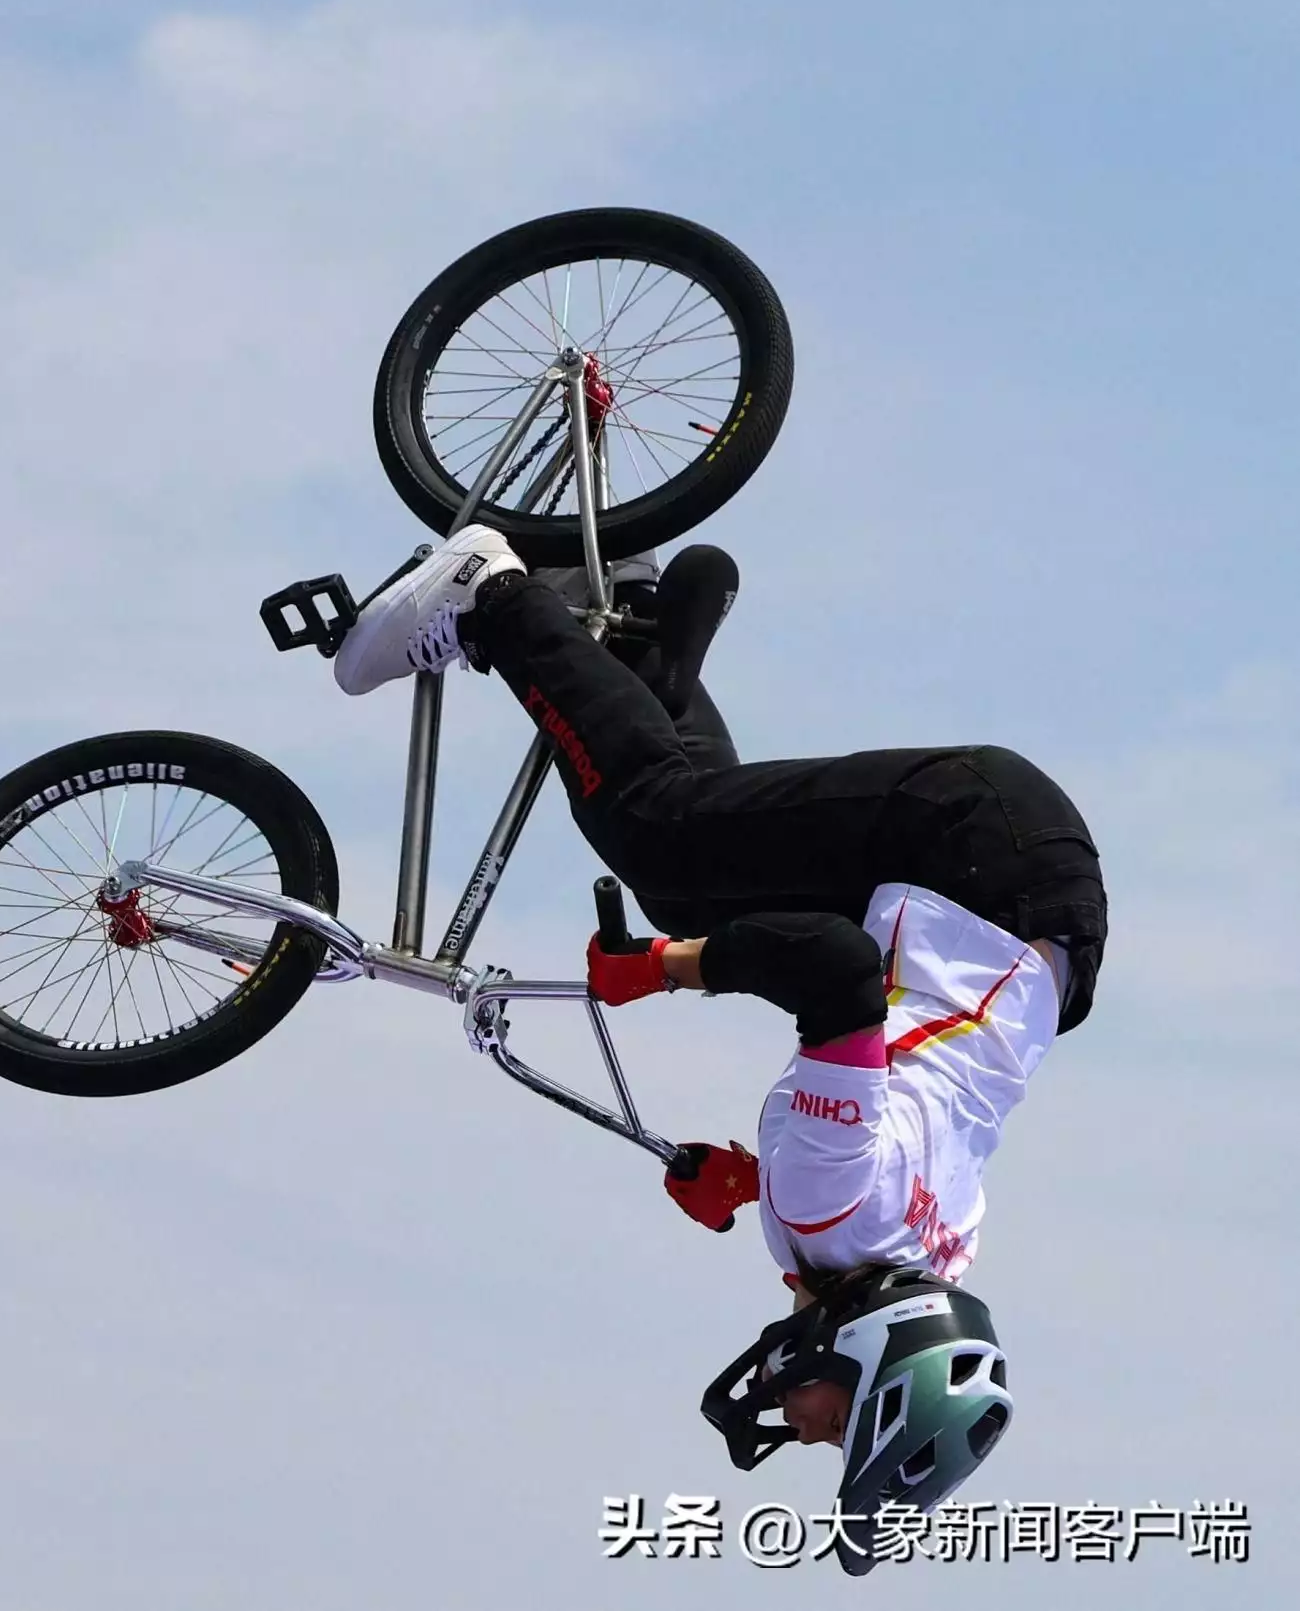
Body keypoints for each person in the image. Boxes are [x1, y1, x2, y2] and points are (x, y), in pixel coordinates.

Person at [332, 523, 1107, 1573]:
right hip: (968, 844)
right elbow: (830, 968)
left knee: (693, 867)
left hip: (1013, 903)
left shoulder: (924, 1249)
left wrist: (751, 1181)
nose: (799, 1422)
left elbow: (894, 1109)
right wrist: (663, 969)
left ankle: (645, 635)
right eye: (835, 1426)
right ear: (870, 1361)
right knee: (656, 827)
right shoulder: (834, 1214)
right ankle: (490, 597)